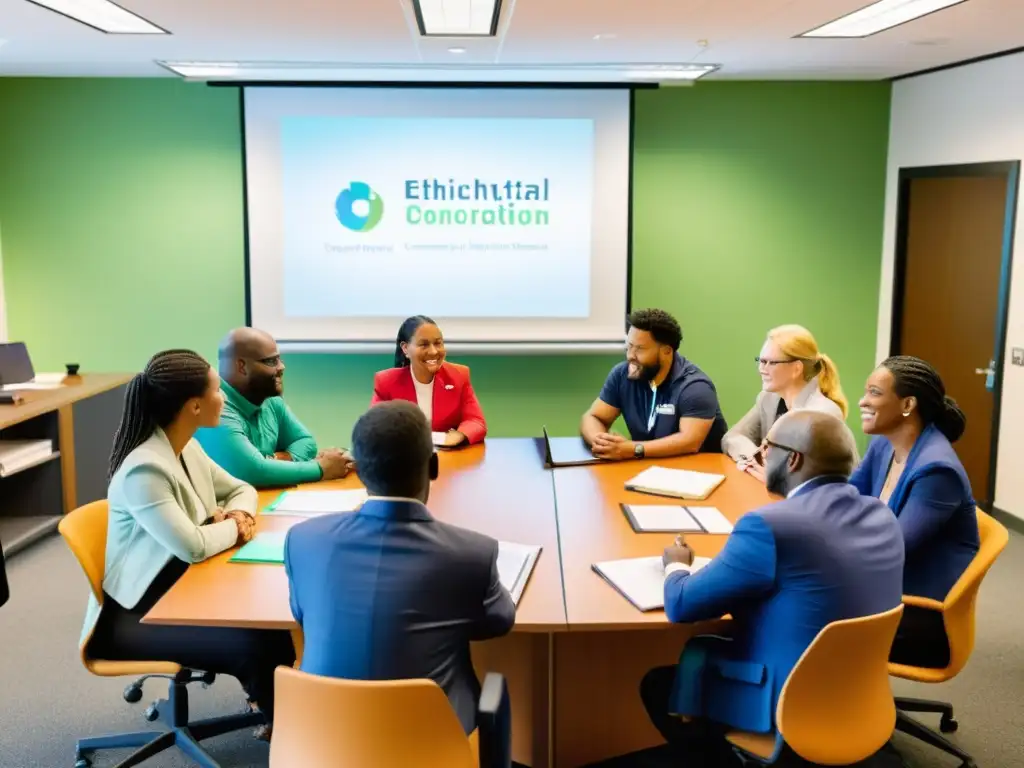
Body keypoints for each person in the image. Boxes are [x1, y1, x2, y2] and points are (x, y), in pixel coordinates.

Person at [640, 411, 904, 763]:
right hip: (858, 696)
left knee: (658, 683)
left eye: (767, 446)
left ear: (793, 458)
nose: (761, 454)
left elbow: (682, 604)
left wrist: (676, 563)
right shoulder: (881, 514)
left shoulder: (769, 526)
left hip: (785, 707)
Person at [83, 350, 296, 727]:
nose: (226, 397)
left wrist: (239, 515)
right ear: (194, 406)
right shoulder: (145, 468)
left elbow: (241, 488)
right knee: (255, 646)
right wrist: (234, 527)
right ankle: (294, 736)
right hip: (136, 616)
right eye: (218, 390)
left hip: (182, 585)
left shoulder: (187, 447)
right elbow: (193, 546)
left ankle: (283, 720)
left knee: (275, 625)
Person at [284, 400, 514, 734]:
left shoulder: (302, 540)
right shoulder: (473, 554)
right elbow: (498, 621)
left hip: (321, 741)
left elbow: (301, 612)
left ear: (359, 471)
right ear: (433, 467)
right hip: (432, 745)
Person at [851, 355, 979, 668]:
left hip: (919, 614)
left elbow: (892, 550)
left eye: (875, 393)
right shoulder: (884, 445)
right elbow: (846, 497)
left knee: (797, 612)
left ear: (908, 405)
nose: (862, 401)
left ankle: (835, 710)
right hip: (882, 591)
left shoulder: (937, 470)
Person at [196, 328, 352, 487]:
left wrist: (282, 459)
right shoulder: (215, 407)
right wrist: (321, 468)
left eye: (279, 359)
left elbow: (305, 441)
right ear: (241, 366)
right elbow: (253, 471)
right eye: (271, 361)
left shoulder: (268, 398)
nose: (282, 367)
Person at [581, 308, 728, 460]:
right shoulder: (622, 374)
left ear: (666, 351)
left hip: (698, 472)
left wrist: (633, 449)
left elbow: (689, 442)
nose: (630, 355)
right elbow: (594, 417)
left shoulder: (695, 387)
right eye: (629, 346)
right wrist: (601, 442)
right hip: (647, 467)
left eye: (640, 349)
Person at [723, 324, 851, 480]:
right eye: (761, 361)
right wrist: (754, 460)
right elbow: (732, 437)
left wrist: (774, 473)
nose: (762, 369)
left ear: (796, 369)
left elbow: (814, 478)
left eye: (771, 362)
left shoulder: (824, 414)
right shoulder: (768, 398)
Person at [371, 315, 486, 447]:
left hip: (447, 459)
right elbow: (374, 431)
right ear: (405, 348)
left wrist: (456, 436)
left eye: (438, 343)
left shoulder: (458, 376)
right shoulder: (386, 382)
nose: (433, 351)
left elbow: (476, 421)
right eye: (424, 345)